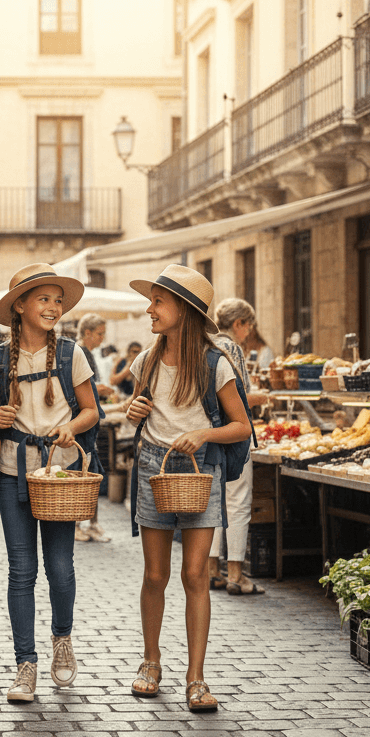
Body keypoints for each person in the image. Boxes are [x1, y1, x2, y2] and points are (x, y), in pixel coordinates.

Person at [124, 264, 252, 711]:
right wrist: (133, 411)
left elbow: (240, 427)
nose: (150, 309)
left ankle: (196, 678)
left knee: (195, 574)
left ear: (184, 309)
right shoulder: (146, 360)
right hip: (153, 467)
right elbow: (135, 413)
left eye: (158, 301)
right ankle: (151, 662)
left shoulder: (216, 364)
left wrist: (203, 434)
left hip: (201, 469)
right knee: (155, 575)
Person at [0, 263, 99, 703]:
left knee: (61, 568)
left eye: (57, 300)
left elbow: (91, 412)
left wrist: (71, 427)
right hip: (12, 473)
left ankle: (61, 639)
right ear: (20, 306)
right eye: (43, 298)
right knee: (21, 571)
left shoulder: (72, 354)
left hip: (59, 475)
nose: (53, 307)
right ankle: (24, 664)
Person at [208, 298, 270, 596]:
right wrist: (262, 396)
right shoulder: (231, 346)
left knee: (214, 503)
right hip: (234, 433)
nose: (249, 332)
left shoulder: (204, 341)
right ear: (239, 324)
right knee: (237, 502)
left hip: (209, 433)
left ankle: (211, 571)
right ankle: (236, 574)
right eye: (249, 326)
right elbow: (241, 395)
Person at [74, 313, 114, 544]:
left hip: (88, 423)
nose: (102, 338)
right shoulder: (81, 353)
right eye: (100, 333)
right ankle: (80, 524)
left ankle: (90, 523)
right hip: (83, 425)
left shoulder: (87, 353)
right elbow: (84, 389)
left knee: (92, 473)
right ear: (87, 332)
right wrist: (101, 391)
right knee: (86, 474)